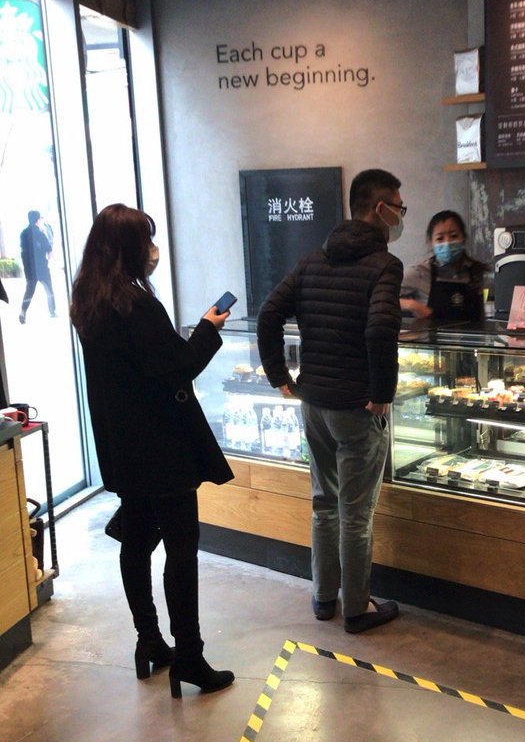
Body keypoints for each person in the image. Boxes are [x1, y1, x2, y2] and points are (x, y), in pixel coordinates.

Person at [70, 203, 235, 697]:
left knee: (138, 540)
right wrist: (209, 327)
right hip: (163, 449)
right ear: (129, 249)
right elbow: (177, 365)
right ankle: (190, 656)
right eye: (146, 241)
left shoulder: (89, 300)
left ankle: (150, 642)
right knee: (182, 549)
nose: (153, 252)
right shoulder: (137, 305)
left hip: (123, 450)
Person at [256, 168, 404, 634]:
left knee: (323, 504)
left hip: (314, 402)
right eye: (397, 207)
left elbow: (268, 314)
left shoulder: (310, 261)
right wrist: (382, 395)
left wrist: (281, 377)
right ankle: (358, 608)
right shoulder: (384, 265)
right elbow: (380, 329)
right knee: (356, 515)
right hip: (357, 408)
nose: (400, 216)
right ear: (378, 209)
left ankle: (324, 598)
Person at [399, 209, 485, 325]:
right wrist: (411, 305)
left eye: (454, 236)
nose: (447, 243)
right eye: (440, 239)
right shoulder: (419, 272)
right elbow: (381, 298)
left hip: (471, 341)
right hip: (431, 341)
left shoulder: (475, 271)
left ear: (463, 238)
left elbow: (480, 317)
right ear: (431, 242)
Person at [19, 209, 56, 322]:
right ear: (37, 220)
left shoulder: (23, 233)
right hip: (42, 267)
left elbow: (23, 252)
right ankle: (52, 310)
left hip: (29, 269)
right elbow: (49, 251)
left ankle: (22, 312)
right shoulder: (40, 233)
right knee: (49, 289)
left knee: (29, 291)